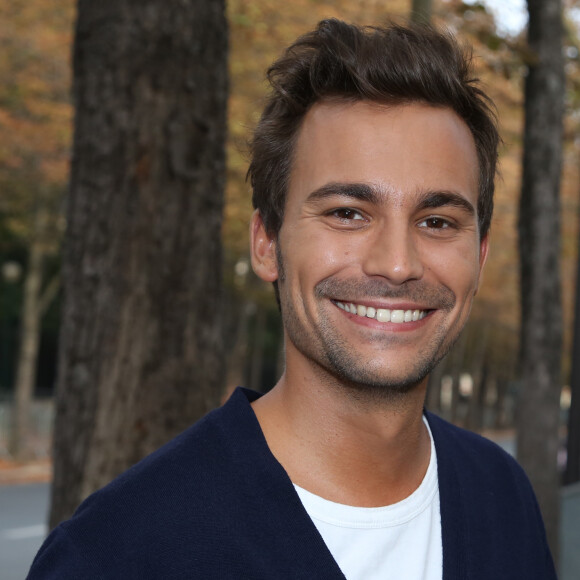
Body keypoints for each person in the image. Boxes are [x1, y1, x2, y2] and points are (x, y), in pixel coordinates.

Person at [28, 19, 556, 580]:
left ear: (480, 256)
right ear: (266, 244)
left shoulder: (502, 496)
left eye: (437, 220)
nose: (397, 264)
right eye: (347, 213)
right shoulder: (117, 553)